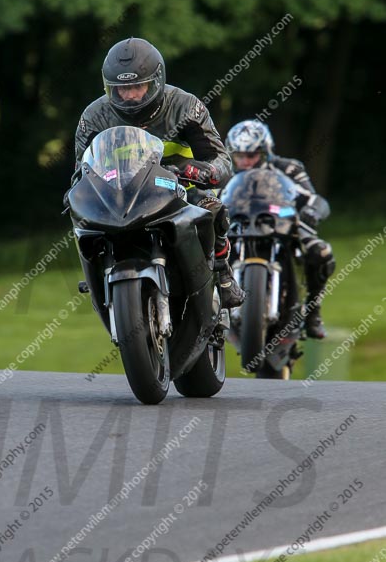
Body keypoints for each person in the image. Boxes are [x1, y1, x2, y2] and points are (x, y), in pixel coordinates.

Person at [73, 37, 245, 308]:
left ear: (155, 81)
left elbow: (219, 158)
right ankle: (98, 277)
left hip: (182, 188)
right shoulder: (94, 116)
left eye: (136, 87)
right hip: (120, 197)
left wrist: (204, 171)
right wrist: (76, 192)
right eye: (121, 89)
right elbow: (80, 172)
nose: (129, 95)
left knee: (212, 207)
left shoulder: (186, 106)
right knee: (84, 225)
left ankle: (222, 271)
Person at [225, 119, 335, 338]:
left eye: (252, 155)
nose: (245, 162)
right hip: (237, 226)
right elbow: (211, 198)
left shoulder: (288, 168)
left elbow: (313, 198)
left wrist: (311, 212)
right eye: (240, 156)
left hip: (282, 222)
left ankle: (313, 312)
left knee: (321, 252)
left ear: (265, 152)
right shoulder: (224, 172)